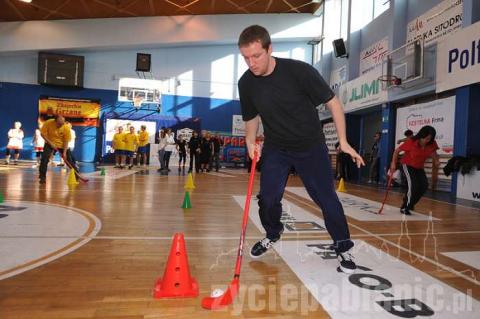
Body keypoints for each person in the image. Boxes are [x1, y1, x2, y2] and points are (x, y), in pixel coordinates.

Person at [237, 25, 364, 274]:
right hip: (277, 147)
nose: (251, 63)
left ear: (269, 49)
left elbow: (333, 104)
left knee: (326, 199)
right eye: (245, 57)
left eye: (256, 56)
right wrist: (249, 141)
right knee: (268, 199)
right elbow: (251, 118)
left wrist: (344, 141)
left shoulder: (299, 72)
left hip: (310, 146)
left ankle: (342, 245)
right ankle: (273, 233)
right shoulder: (246, 83)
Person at [390, 125, 440, 215]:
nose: (428, 141)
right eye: (426, 138)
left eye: (430, 139)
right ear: (421, 135)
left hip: (419, 167)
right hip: (407, 165)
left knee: (424, 186)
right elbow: (397, 151)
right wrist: (393, 163)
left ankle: (410, 203)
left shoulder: (431, 143)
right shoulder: (411, 141)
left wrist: (436, 160)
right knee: (413, 185)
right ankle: (405, 207)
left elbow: (433, 152)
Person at [39, 115, 74, 184]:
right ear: (55, 121)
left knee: (69, 160)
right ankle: (42, 177)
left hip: (62, 145)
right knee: (44, 159)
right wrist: (51, 143)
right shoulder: (48, 123)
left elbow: (66, 141)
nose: (61, 125)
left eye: (62, 123)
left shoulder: (66, 128)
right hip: (49, 143)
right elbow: (42, 134)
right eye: (59, 124)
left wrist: (64, 153)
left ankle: (76, 175)